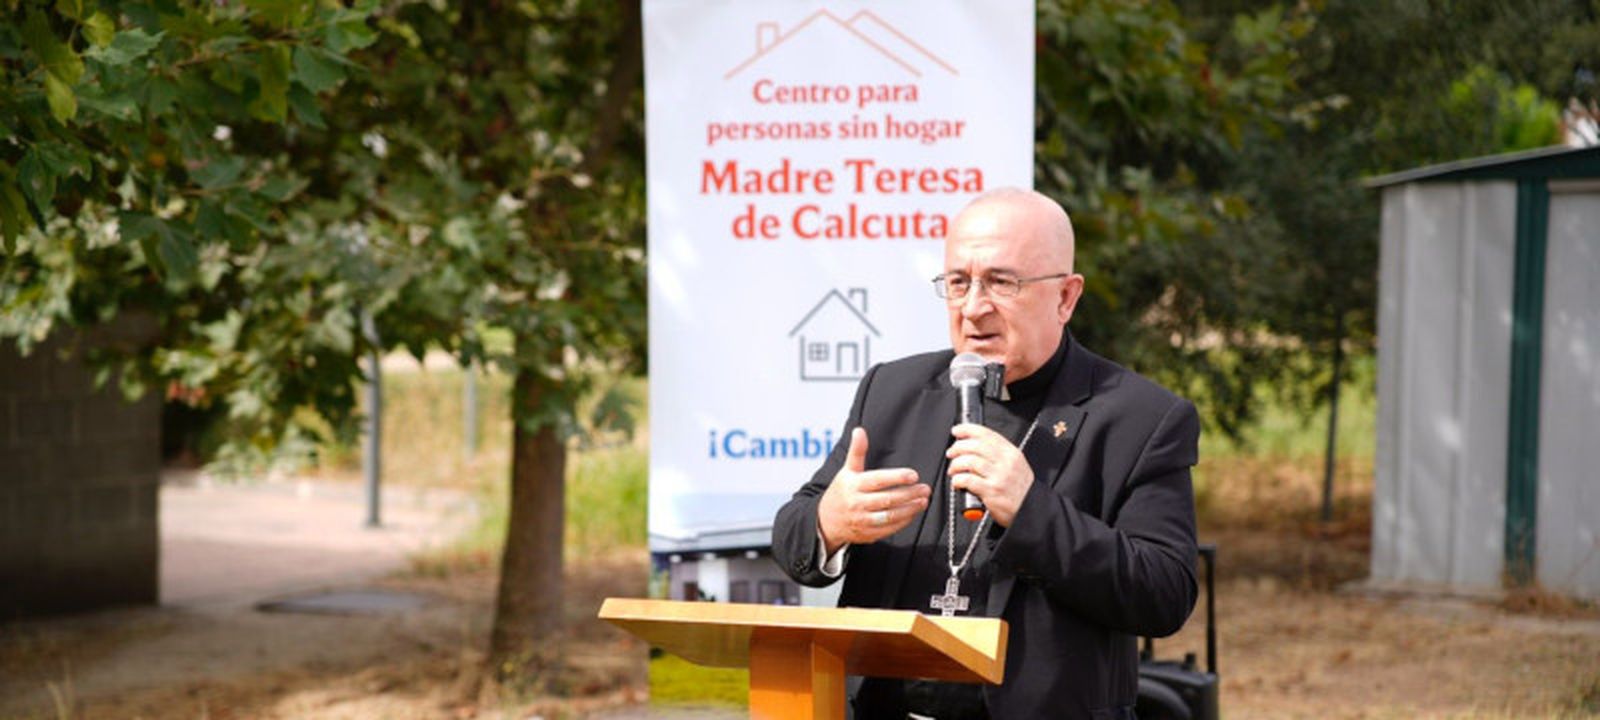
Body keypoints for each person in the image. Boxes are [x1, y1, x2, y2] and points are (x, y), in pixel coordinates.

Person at [772, 187, 1200, 719]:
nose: (974, 307)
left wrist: (1032, 510)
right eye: (958, 282)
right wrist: (827, 524)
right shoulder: (891, 391)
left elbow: (1164, 593)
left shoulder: (1139, 418)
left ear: (1066, 297)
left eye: (1002, 282)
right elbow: (792, 534)